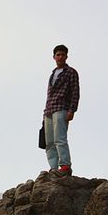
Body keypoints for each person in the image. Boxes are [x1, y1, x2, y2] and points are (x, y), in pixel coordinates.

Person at [43, 44, 79, 176]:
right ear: (54, 57)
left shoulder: (71, 72)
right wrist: (45, 112)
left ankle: (65, 165)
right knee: (50, 142)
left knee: (60, 139)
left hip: (62, 108)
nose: (60, 57)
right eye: (58, 54)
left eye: (63, 54)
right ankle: (53, 168)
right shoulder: (52, 74)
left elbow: (75, 92)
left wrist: (72, 110)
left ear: (66, 56)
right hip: (49, 110)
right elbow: (49, 95)